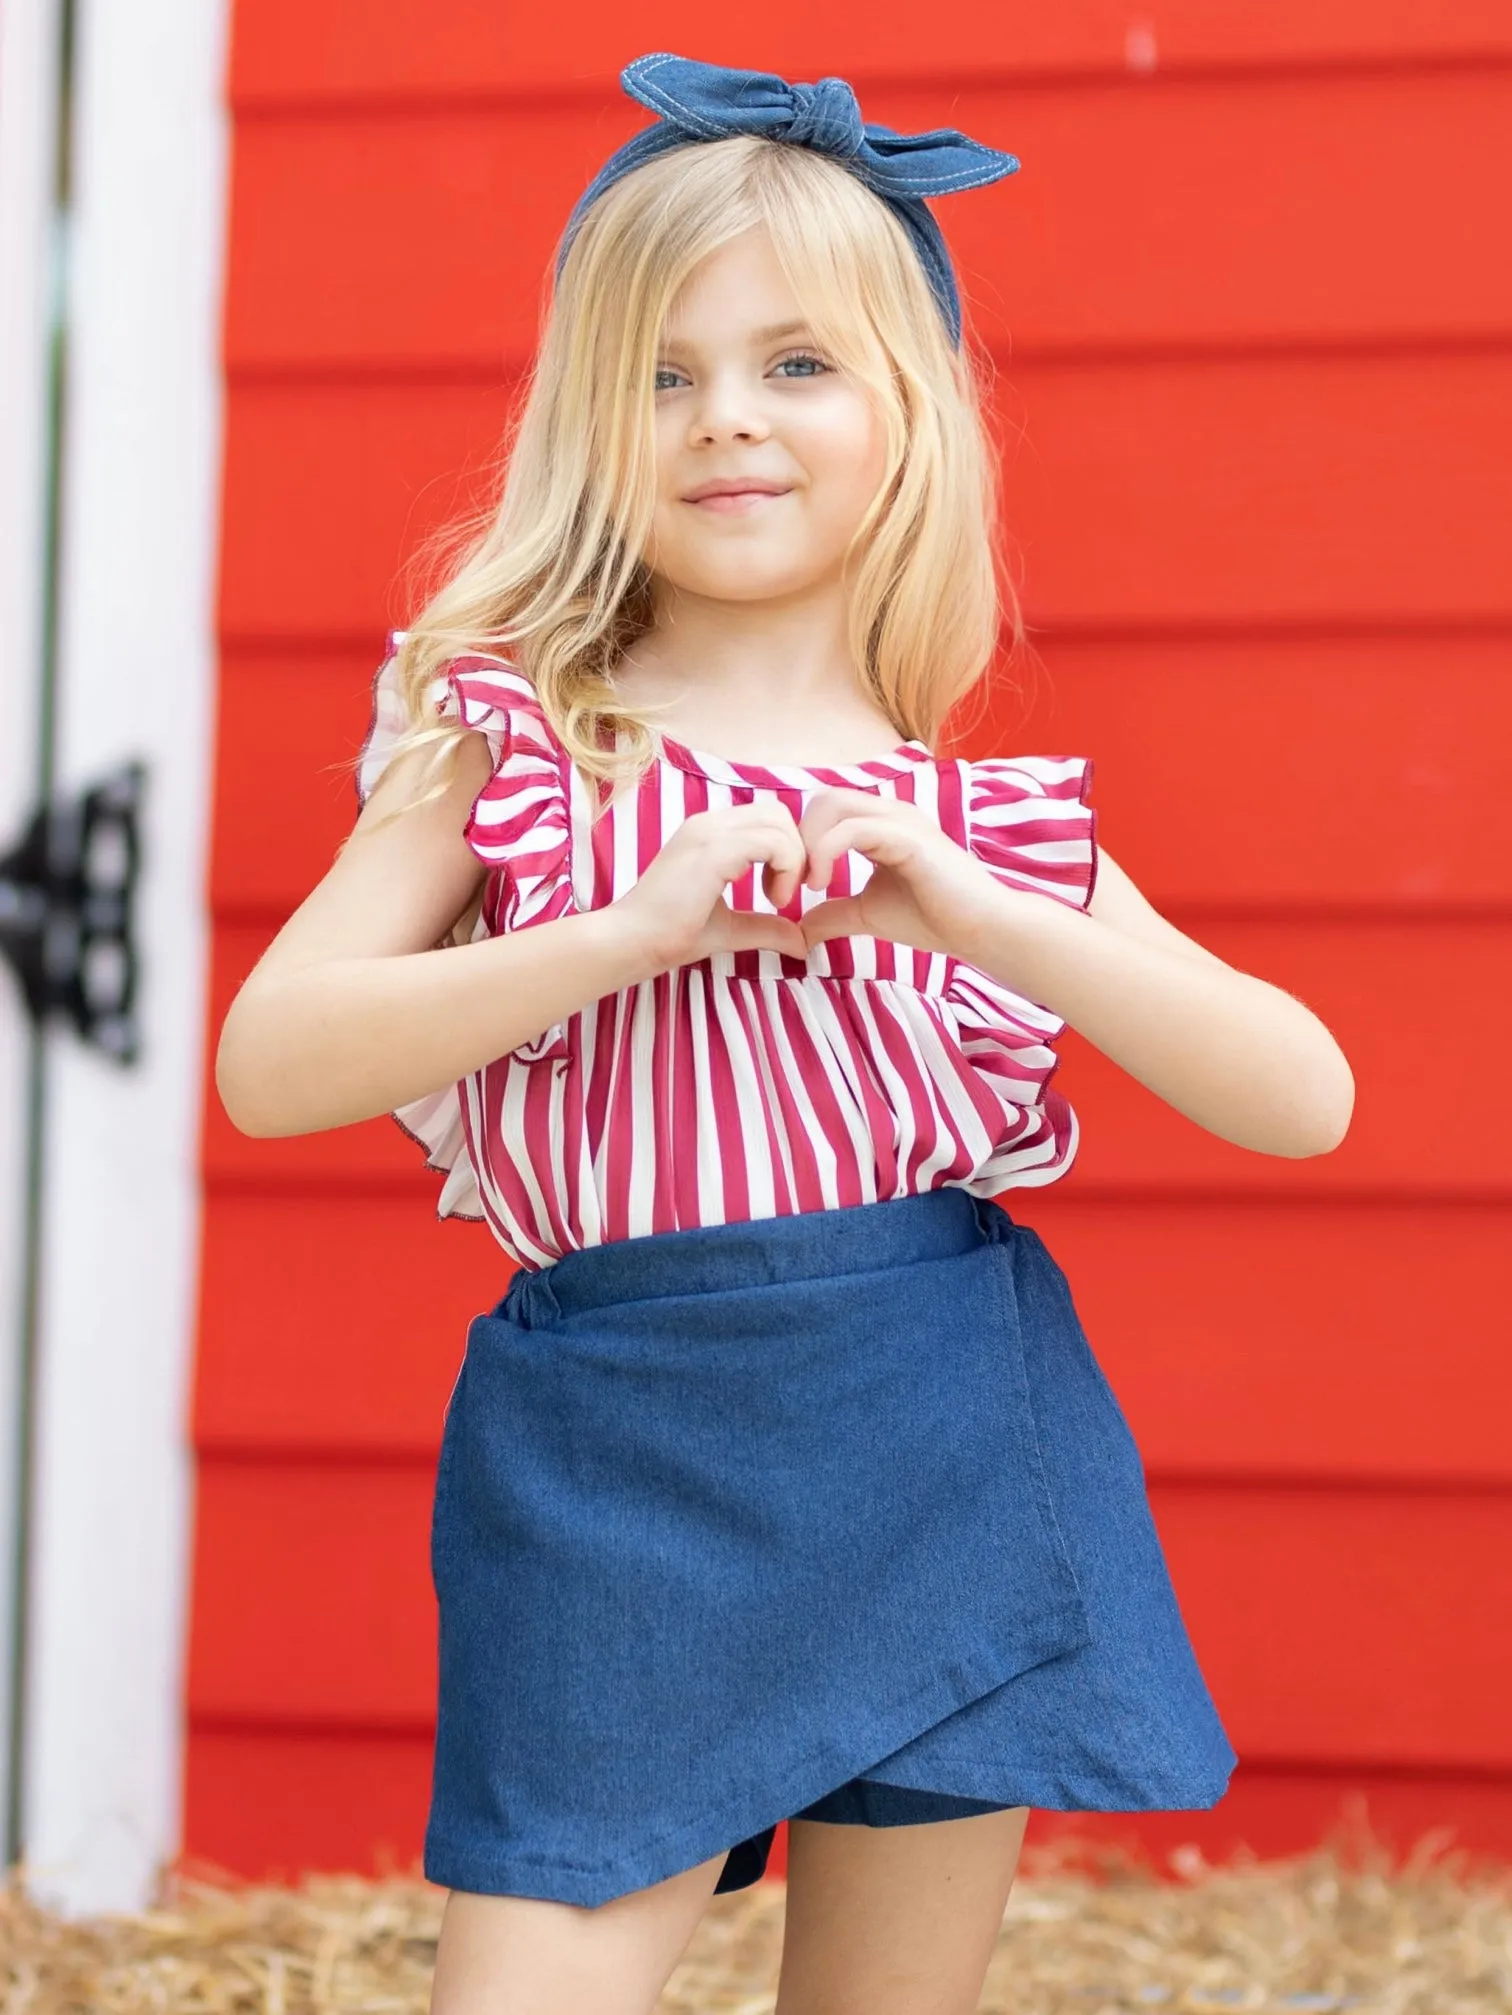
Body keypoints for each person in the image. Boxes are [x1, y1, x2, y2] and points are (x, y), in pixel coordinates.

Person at [215, 52, 1355, 2015]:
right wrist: (626, 929)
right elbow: (277, 1053)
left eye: (797, 363)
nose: (727, 415)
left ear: (909, 415)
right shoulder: (511, 743)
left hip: (943, 1438)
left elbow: (1303, 1095)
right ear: (588, 421)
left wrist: (979, 908)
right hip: (617, 1456)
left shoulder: (975, 818)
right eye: (664, 373)